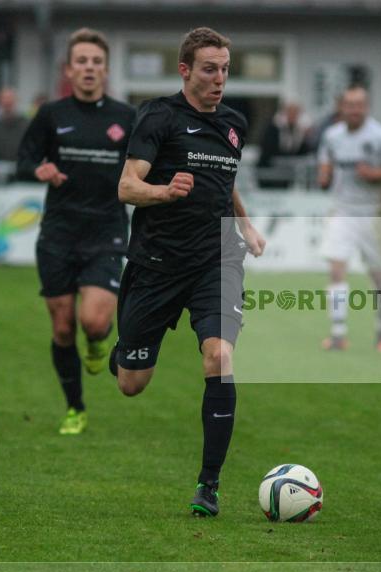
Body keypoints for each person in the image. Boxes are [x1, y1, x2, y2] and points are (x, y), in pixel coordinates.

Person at [113, 27, 265, 517]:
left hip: (216, 258)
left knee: (219, 355)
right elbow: (127, 187)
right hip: (156, 264)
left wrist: (247, 226)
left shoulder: (235, 123)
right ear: (185, 70)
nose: (219, 78)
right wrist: (163, 192)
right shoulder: (157, 116)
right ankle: (124, 347)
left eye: (224, 69)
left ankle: (209, 485)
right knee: (131, 383)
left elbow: (227, 181)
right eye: (209, 69)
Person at [17, 28, 135, 435]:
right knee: (63, 327)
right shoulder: (52, 114)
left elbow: (145, 165)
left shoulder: (126, 118)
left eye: (96, 62)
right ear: (69, 69)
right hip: (59, 234)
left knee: (95, 322)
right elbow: (24, 157)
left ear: (105, 69)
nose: (89, 68)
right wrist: (39, 169)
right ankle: (75, 407)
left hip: (106, 230)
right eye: (82, 61)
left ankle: (100, 341)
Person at [317, 84, 381, 351]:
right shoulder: (333, 135)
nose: (354, 110)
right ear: (342, 107)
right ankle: (338, 334)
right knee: (336, 268)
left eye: (359, 105)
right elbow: (326, 161)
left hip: (373, 213)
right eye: (349, 105)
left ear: (366, 107)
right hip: (342, 210)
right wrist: (323, 176)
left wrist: (375, 175)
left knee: (378, 276)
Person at [256, 100, 311, 188]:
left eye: (296, 113)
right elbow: (268, 151)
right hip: (270, 173)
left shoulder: (299, 131)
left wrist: (306, 137)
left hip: (287, 176)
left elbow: (303, 152)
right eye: (290, 112)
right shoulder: (273, 127)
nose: (293, 116)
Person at [0, 87, 30, 180]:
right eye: (4, 99)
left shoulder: (25, 123)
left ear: (15, 101)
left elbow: (31, 145)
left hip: (19, 175)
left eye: (10, 98)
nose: (7, 102)